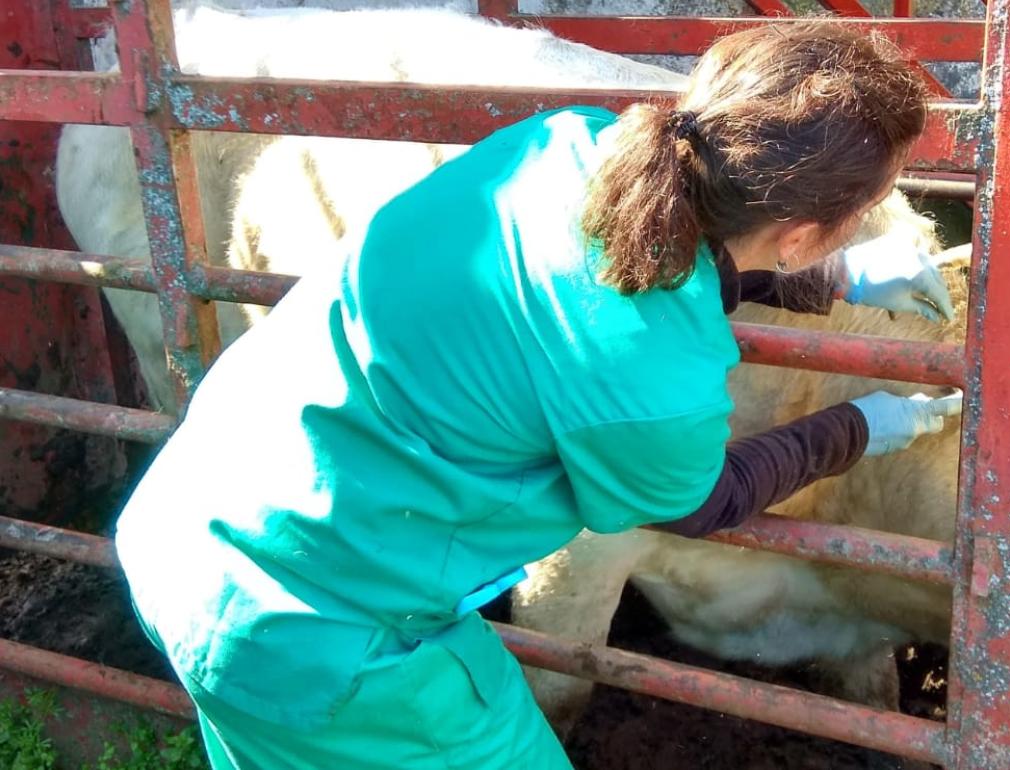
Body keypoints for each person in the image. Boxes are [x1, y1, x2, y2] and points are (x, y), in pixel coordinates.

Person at [114, 20, 963, 770]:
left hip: (193, 520)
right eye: (856, 223)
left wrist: (831, 279)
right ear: (799, 233)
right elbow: (704, 499)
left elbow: (642, 255)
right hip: (320, 627)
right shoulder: (658, 382)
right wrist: (858, 427)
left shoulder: (573, 142)